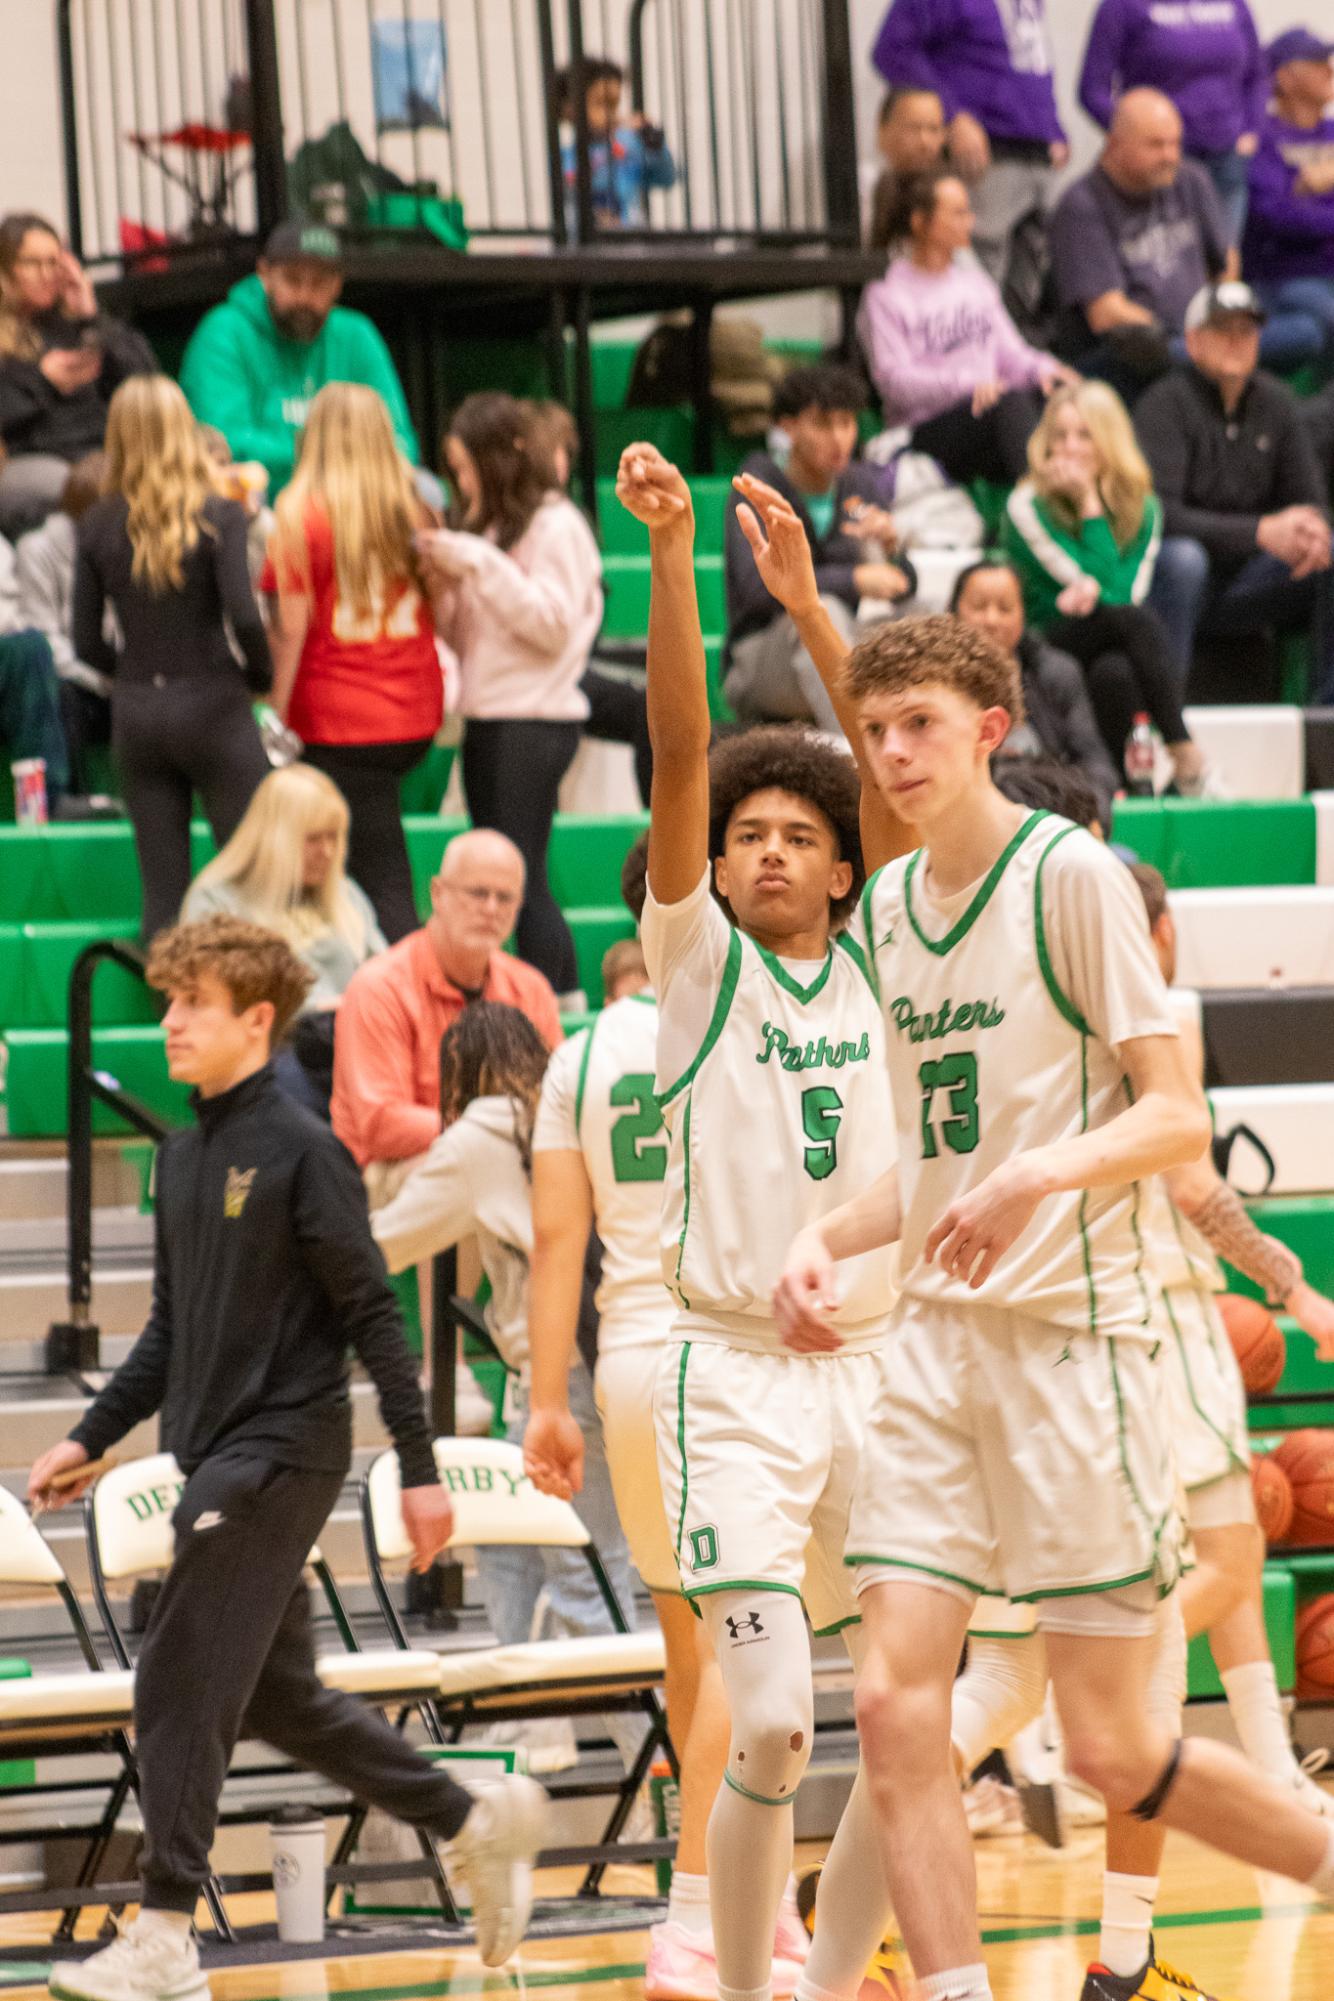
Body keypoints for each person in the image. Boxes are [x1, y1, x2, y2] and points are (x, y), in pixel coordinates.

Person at [752, 550, 1334, 2001]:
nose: (890, 755)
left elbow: (1174, 1112)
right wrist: (825, 1236)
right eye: (873, 732)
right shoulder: (883, 917)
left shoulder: (1065, 879)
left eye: (918, 729)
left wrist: (1037, 1175)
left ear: (989, 728)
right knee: (891, 1704)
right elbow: (937, 1165)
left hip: (1077, 1345)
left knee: (1112, 1752)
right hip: (940, 1351)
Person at [28, 917, 547, 2001]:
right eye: (167, 1003)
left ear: (255, 1020)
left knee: (172, 1671)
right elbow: (171, 1334)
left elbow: (375, 1314)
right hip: (210, 1455)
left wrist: (417, 1467)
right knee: (276, 1698)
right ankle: (468, 1816)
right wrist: (91, 1434)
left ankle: (165, 1931)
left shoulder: (307, 1150)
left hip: (283, 1453)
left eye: (193, 1006)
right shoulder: (180, 1156)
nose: (168, 1023)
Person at [615, 440, 906, 2001]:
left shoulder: (884, 965)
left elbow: (900, 775)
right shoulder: (699, 966)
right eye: (750, 836)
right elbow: (676, 753)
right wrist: (673, 556)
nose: (770, 846)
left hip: (878, 1374)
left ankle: (842, 1971)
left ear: (846, 871)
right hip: (724, 1376)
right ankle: (737, 1982)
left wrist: (806, 604)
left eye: (802, 833)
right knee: (780, 1722)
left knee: (921, 1717)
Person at [947, 856, 1334, 2001]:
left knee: (1017, 1665)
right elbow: (1195, 1193)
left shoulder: (999, 1003)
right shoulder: (1123, 1015)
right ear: (1145, 928)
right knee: (1167, 1621)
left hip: (1035, 1348)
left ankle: (867, 1884)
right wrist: (1293, 1288)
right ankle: (1123, 1947)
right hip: (1138, 1336)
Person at [525, 838, 793, 1998]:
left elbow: (553, 1244)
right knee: (752, 1647)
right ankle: (700, 1917)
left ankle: (743, 1896)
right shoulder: (756, 1018)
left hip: (627, 1356)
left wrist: (544, 1397)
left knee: (697, 1648)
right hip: (728, 1350)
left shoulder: (578, 1053)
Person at [369, 1001, 640, 1775]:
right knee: (510, 1555)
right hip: (599, 1359)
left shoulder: (483, 1130)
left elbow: (383, 1243)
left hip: (568, 1374)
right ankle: (516, 1733)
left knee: (586, 1573)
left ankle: (665, 1765)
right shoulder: (564, 1112)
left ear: (459, 1074)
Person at [420, 391, 603, 1002]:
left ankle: (563, 1003)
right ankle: (528, 1000)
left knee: (517, 874)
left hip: (534, 720)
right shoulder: (492, 528)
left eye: (466, 463)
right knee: (505, 870)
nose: (460, 478)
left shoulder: (557, 524)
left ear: (496, 457)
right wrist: (444, 588)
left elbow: (551, 626)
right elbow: (470, 638)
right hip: (489, 717)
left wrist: (476, 562)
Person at [72, 376, 270, 942]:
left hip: (138, 714)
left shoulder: (97, 524)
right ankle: (249, 1020)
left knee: (163, 890)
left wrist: (129, 676)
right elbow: (245, 615)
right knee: (250, 877)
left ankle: (170, 1022)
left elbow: (84, 641)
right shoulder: (219, 515)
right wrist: (259, 676)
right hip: (215, 703)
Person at [262, 381, 442, 945]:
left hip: (339, 723)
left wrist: (273, 713)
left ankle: (404, 989)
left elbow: (289, 631)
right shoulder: (419, 511)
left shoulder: (297, 515)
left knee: (378, 874)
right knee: (358, 861)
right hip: (414, 715)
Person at [1002, 380, 1213, 792]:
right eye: (1058, 436)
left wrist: (1093, 583)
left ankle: (1132, 789)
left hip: (1110, 638)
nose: (1069, 448)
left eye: (1084, 435)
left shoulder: (1144, 508)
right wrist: (1089, 505)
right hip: (1048, 638)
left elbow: (1121, 595)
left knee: (1115, 672)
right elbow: (1114, 596)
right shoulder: (1025, 504)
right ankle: (1183, 747)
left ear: (1109, 441)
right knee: (1131, 623)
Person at [331, 828, 561, 1200]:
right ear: (438, 893)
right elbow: (381, 1124)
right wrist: (491, 1131)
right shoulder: (380, 986)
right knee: (472, 1175)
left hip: (502, 1153)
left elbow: (555, 1098)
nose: (490, 909)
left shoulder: (529, 988)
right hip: (392, 1169)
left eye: (505, 898)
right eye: (477, 893)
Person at [1134, 280, 1334, 704]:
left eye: (1246, 331)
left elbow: (1309, 498)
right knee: (1184, 558)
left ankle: (1323, 722)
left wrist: (1312, 531)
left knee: (1328, 550)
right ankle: (1165, 719)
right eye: (1222, 330)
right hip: (1176, 583)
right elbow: (1160, 514)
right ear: (1192, 341)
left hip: (1250, 581)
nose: (1236, 342)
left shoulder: (1276, 403)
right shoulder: (1163, 404)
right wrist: (1260, 532)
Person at [183, 763, 386, 1116]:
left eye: (333, 837)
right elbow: (214, 1000)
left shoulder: (346, 895)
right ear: (275, 837)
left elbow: (387, 976)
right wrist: (310, 1009)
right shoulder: (217, 901)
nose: (326, 851)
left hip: (353, 1044)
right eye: (312, 839)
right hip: (274, 1052)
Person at [724, 366, 916, 734]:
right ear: (788, 427)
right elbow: (757, 590)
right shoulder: (757, 483)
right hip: (761, 661)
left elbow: (904, 583)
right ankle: (862, 760)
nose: (839, 438)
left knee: (920, 620)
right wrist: (855, 579)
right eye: (823, 424)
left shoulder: (859, 482)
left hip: (845, 644)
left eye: (847, 423)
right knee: (821, 613)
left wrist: (891, 551)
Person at [859, 170, 1067, 490]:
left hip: (989, 412)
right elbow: (893, 381)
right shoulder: (886, 293)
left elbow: (1012, 354)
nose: (970, 220)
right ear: (920, 222)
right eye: (958, 213)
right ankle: (1040, 507)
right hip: (926, 429)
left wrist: (1047, 369)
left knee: (1062, 397)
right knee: (1009, 406)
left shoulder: (974, 282)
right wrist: (968, 385)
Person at [178, 221, 420, 496]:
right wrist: (333, 457)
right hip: (256, 514)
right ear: (264, 275)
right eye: (293, 280)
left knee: (427, 490)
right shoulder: (223, 332)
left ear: (338, 285)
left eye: (319, 282)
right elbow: (222, 444)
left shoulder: (357, 335)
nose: (305, 296)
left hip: (350, 508)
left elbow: (398, 442)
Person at [869, 0, 1067, 316]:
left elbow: (1030, 60)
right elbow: (892, 50)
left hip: (1037, 154)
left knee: (1032, 289)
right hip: (985, 156)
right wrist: (952, 115)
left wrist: (1051, 126)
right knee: (978, 274)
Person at [1048, 90, 1231, 396]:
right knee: (1157, 348)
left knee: (1303, 333)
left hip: (1202, 333)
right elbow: (1107, 313)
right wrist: (1191, 339)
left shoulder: (1190, 179)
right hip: (1136, 352)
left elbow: (1226, 263)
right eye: (1156, 145)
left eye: (1175, 143)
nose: (1170, 156)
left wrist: (1222, 320)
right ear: (1115, 144)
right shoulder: (1081, 204)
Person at [525, 397, 652, 807]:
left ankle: (659, 821)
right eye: (557, 450)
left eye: (566, 452)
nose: (563, 462)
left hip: (571, 664)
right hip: (543, 672)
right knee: (647, 709)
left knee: (656, 706)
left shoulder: (566, 516)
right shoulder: (540, 522)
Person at [0, 212, 155, 538]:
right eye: (32, 263)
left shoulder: (74, 325)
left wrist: (92, 316)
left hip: (100, 451)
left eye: (53, 262)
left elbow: (145, 382)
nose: (46, 274)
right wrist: (45, 383)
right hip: (34, 461)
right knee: (86, 486)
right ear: (6, 270)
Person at [1077, 0, 1265, 244]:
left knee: (1224, 262)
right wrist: (1133, 136)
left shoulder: (1234, 5)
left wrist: (1252, 130)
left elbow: (1258, 75)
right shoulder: (1122, 6)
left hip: (1227, 157)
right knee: (1164, 266)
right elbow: (1093, 89)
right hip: (1160, 163)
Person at [950, 558, 1118, 826]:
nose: (991, 620)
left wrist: (1092, 818)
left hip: (1054, 821)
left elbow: (1096, 765)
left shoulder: (1056, 672)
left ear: (1023, 615)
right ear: (954, 612)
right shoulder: (937, 685)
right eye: (979, 606)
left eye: (1005, 608)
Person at [14, 449, 110, 793]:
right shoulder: (36, 550)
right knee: (63, 695)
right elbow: (44, 640)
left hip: (113, 674)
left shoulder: (122, 546)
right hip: (73, 678)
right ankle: (72, 796)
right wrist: (102, 681)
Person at [1242, 30, 1334, 376]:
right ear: (1285, 76)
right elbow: (1275, 216)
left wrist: (1310, 190)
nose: (1330, 70)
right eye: (1318, 62)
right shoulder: (1262, 138)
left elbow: (1295, 211)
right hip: (1285, 276)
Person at [556, 56, 677, 232]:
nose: (611, 113)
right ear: (569, 109)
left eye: (614, 105)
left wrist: (655, 146)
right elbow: (576, 182)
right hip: (585, 248)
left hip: (631, 243)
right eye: (601, 103)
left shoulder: (630, 145)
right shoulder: (565, 157)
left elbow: (666, 179)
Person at [866, 87, 948, 253]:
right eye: (914, 128)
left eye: (933, 129)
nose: (925, 142)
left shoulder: (949, 192)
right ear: (882, 131)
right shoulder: (861, 188)